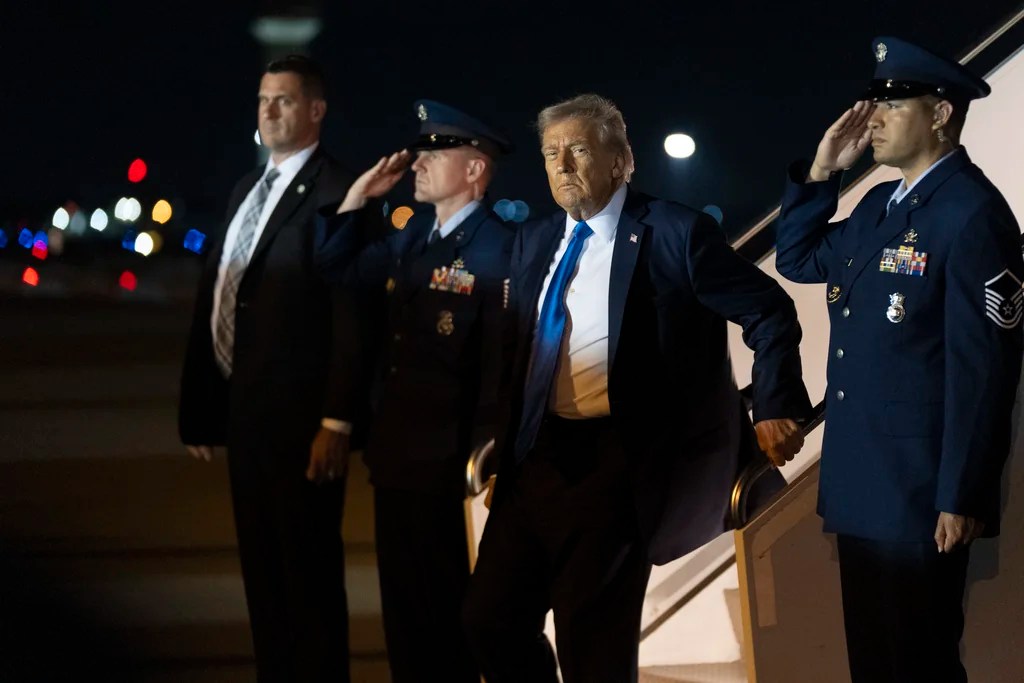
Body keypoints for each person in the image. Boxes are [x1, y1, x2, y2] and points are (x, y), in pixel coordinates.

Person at [461, 93, 811, 682]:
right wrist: (508, 449)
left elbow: (769, 311)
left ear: (621, 160)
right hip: (538, 461)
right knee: (488, 620)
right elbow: (518, 356)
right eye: (551, 153)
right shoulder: (535, 240)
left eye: (578, 150)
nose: (562, 166)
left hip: (619, 464)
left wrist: (774, 405)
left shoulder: (676, 232)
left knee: (591, 645)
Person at [775, 36, 1023, 683]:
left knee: (920, 663)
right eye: (873, 104)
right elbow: (798, 259)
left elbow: (983, 372)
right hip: (863, 481)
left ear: (940, 114)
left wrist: (961, 493)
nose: (873, 120)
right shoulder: (881, 207)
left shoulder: (972, 214)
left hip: (918, 492)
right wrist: (822, 173)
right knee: (876, 663)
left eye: (892, 105)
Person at [178, 55, 369, 682]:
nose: (268, 110)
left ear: (316, 110)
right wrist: (203, 408)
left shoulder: (340, 191)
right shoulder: (246, 190)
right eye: (263, 99)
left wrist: (337, 420)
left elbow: (352, 314)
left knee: (307, 580)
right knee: (262, 578)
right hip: (247, 416)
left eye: (283, 99)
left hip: (303, 424)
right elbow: (221, 294)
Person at [314, 100, 515, 682]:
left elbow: (502, 367)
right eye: (420, 152)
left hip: (452, 467)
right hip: (397, 457)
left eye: (434, 153)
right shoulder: (416, 237)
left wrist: (491, 459)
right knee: (403, 619)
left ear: (474, 169)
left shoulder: (499, 248)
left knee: (448, 620)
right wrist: (359, 198)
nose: (418, 164)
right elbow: (336, 270)